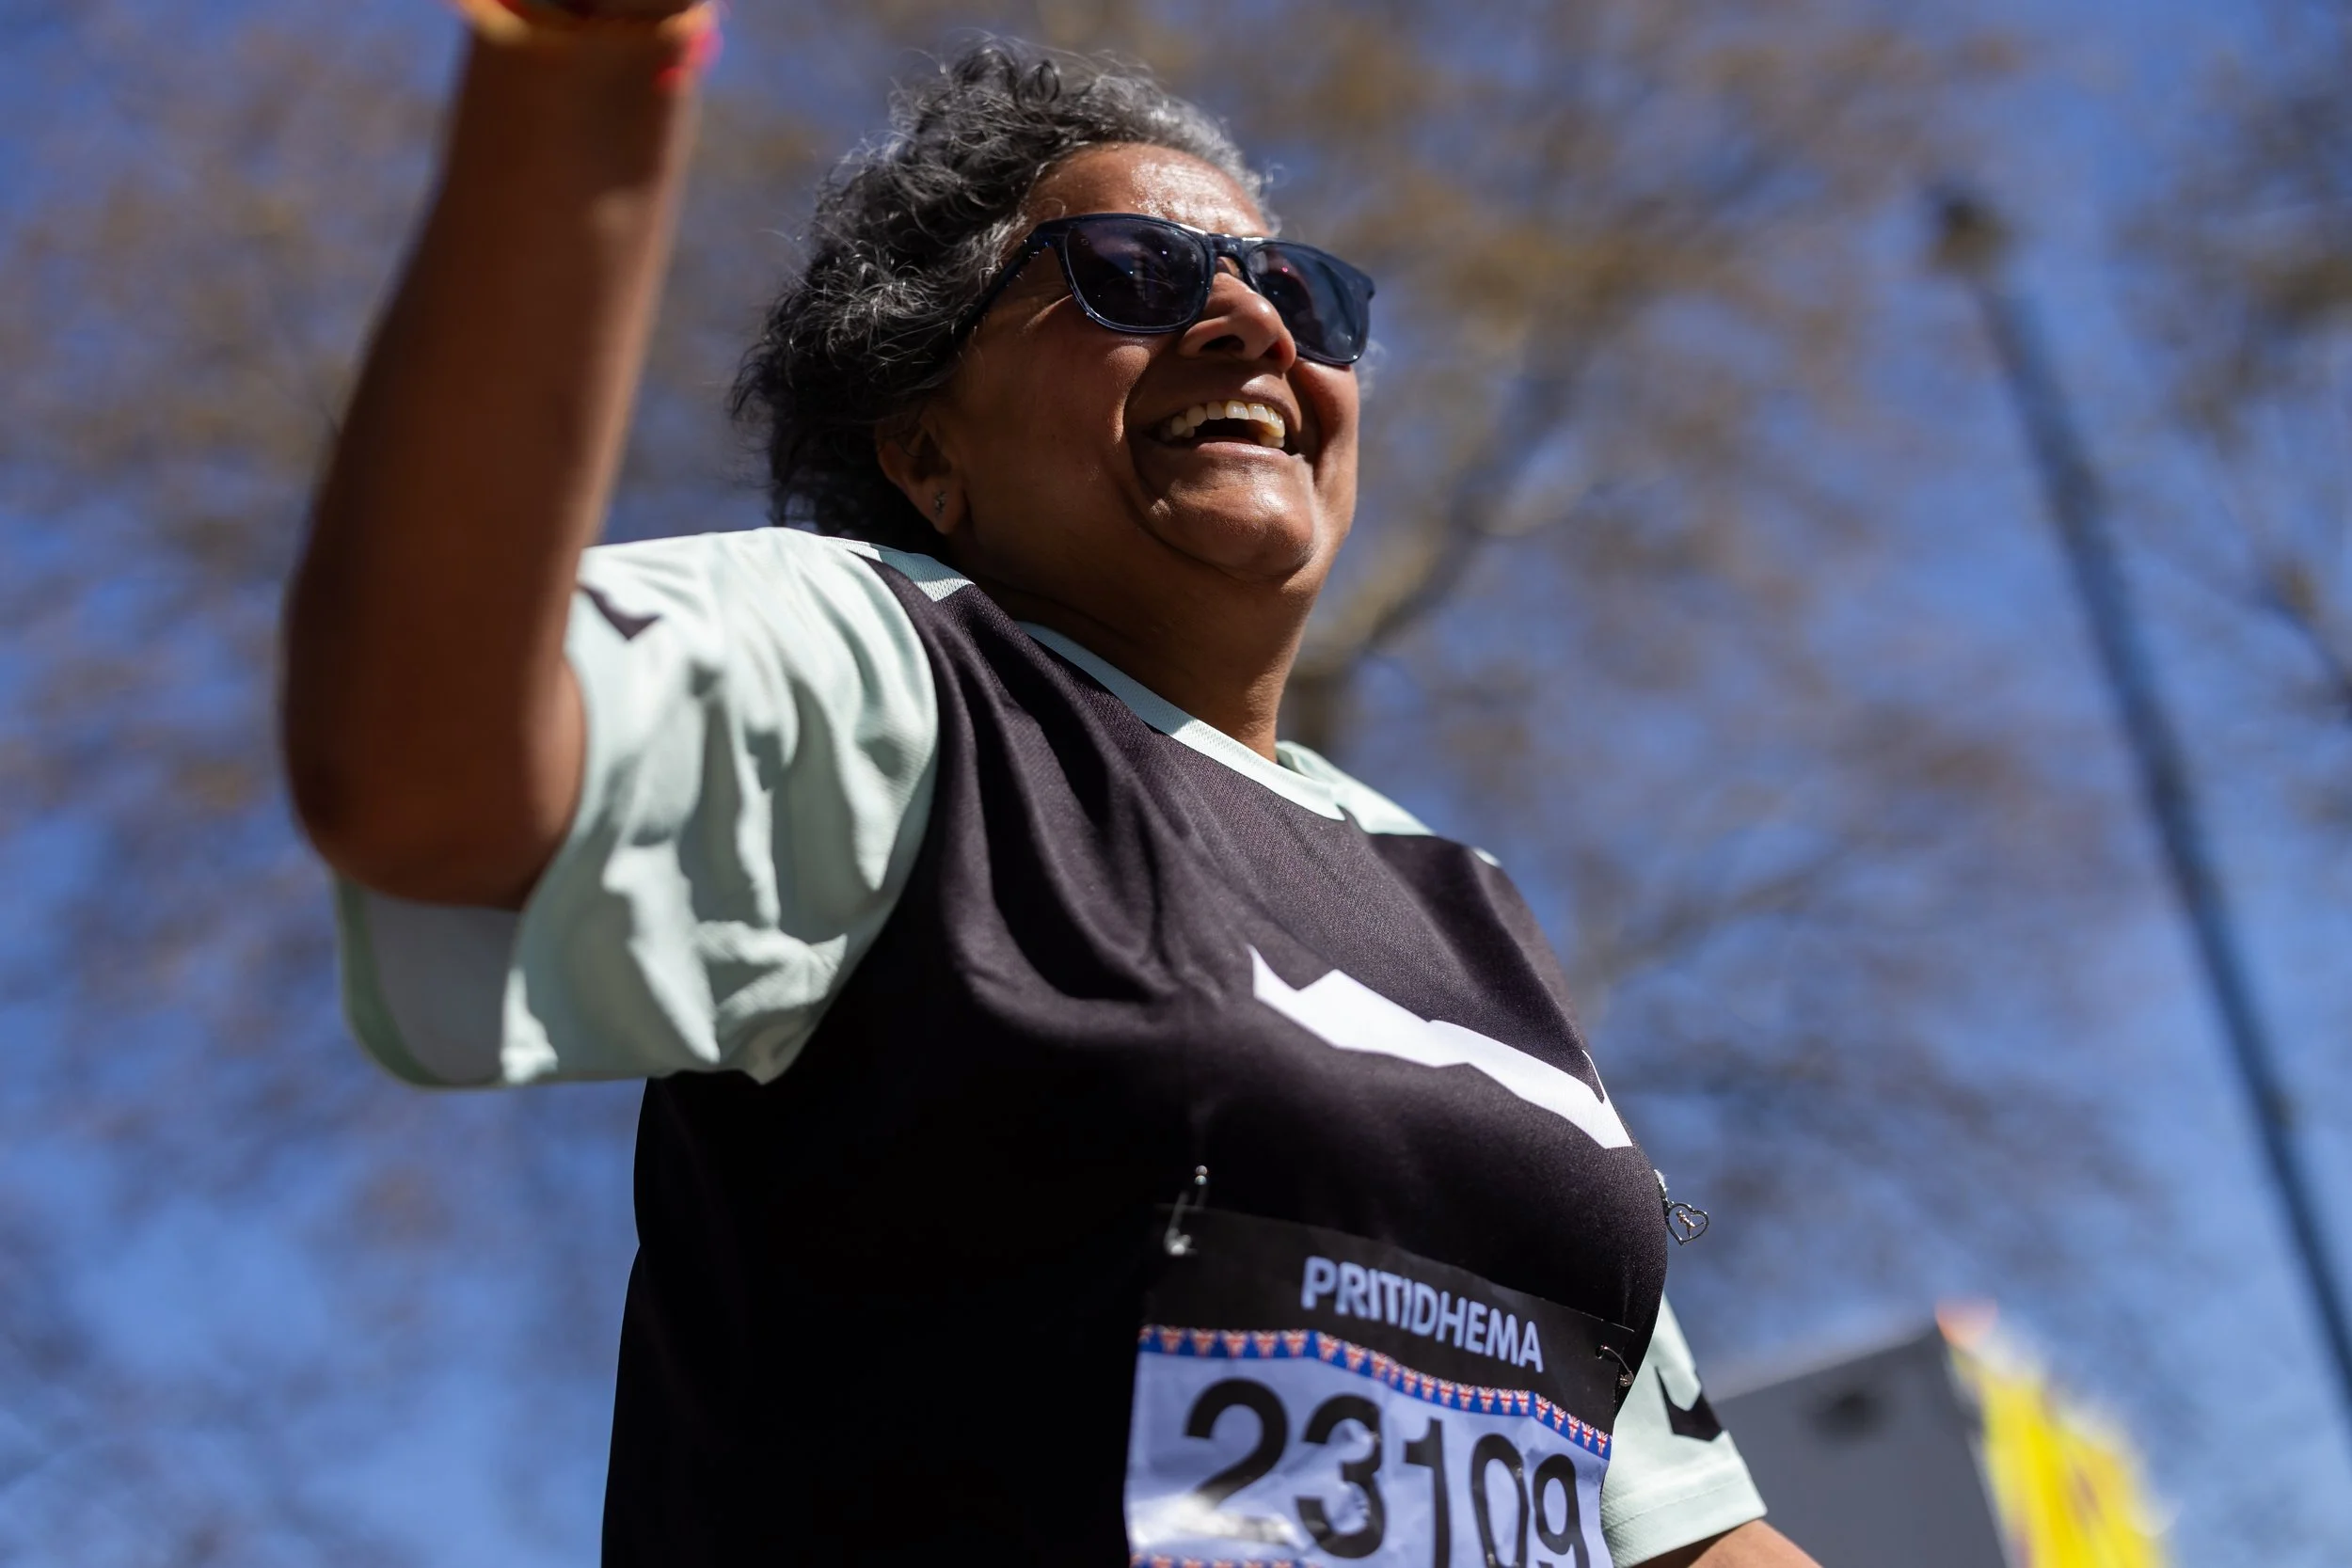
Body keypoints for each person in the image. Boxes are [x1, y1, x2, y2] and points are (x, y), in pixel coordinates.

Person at [282, 6, 1816, 1564]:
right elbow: (427, 768)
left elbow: (1685, 1538)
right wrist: (580, 74)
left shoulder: (1461, 901)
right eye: (1135, 276)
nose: (1252, 327)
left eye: (1301, 292)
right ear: (926, 451)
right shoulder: (889, 676)